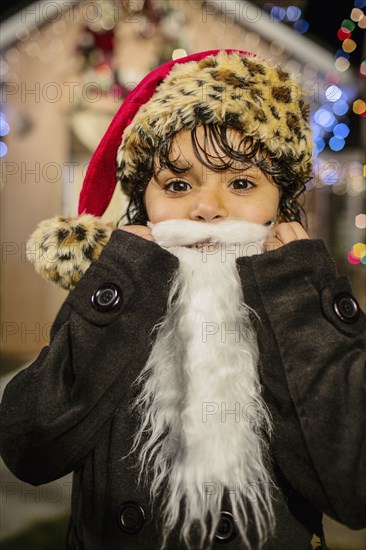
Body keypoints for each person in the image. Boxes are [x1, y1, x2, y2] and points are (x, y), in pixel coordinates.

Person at [0, 49, 365, 550]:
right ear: (143, 201)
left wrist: (297, 296)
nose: (207, 208)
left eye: (240, 182)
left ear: (281, 201)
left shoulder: (304, 295)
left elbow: (355, 488)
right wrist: (122, 285)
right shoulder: (117, 291)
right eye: (177, 183)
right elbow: (31, 448)